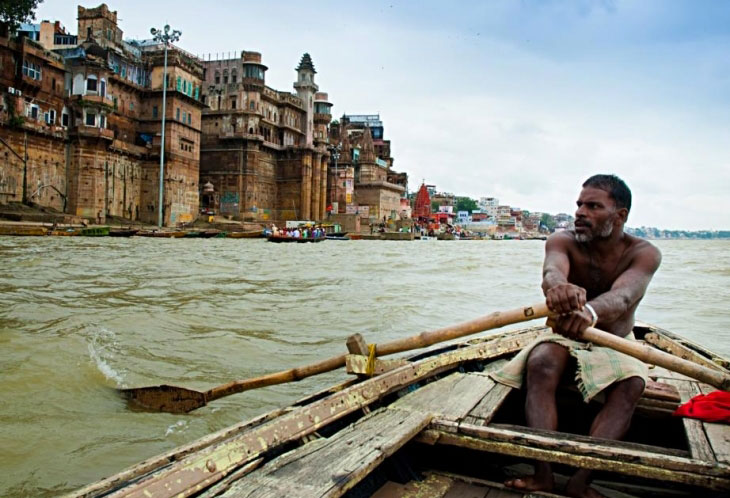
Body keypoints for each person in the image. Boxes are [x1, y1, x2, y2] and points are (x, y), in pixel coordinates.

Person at [492, 174, 662, 498]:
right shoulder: (561, 240)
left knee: (632, 386)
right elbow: (552, 271)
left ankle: (581, 481)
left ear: (620, 215)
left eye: (593, 206)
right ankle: (542, 473)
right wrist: (558, 288)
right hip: (564, 336)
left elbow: (624, 297)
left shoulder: (644, 253)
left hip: (616, 340)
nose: (580, 212)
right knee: (541, 364)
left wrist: (590, 314)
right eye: (579, 204)